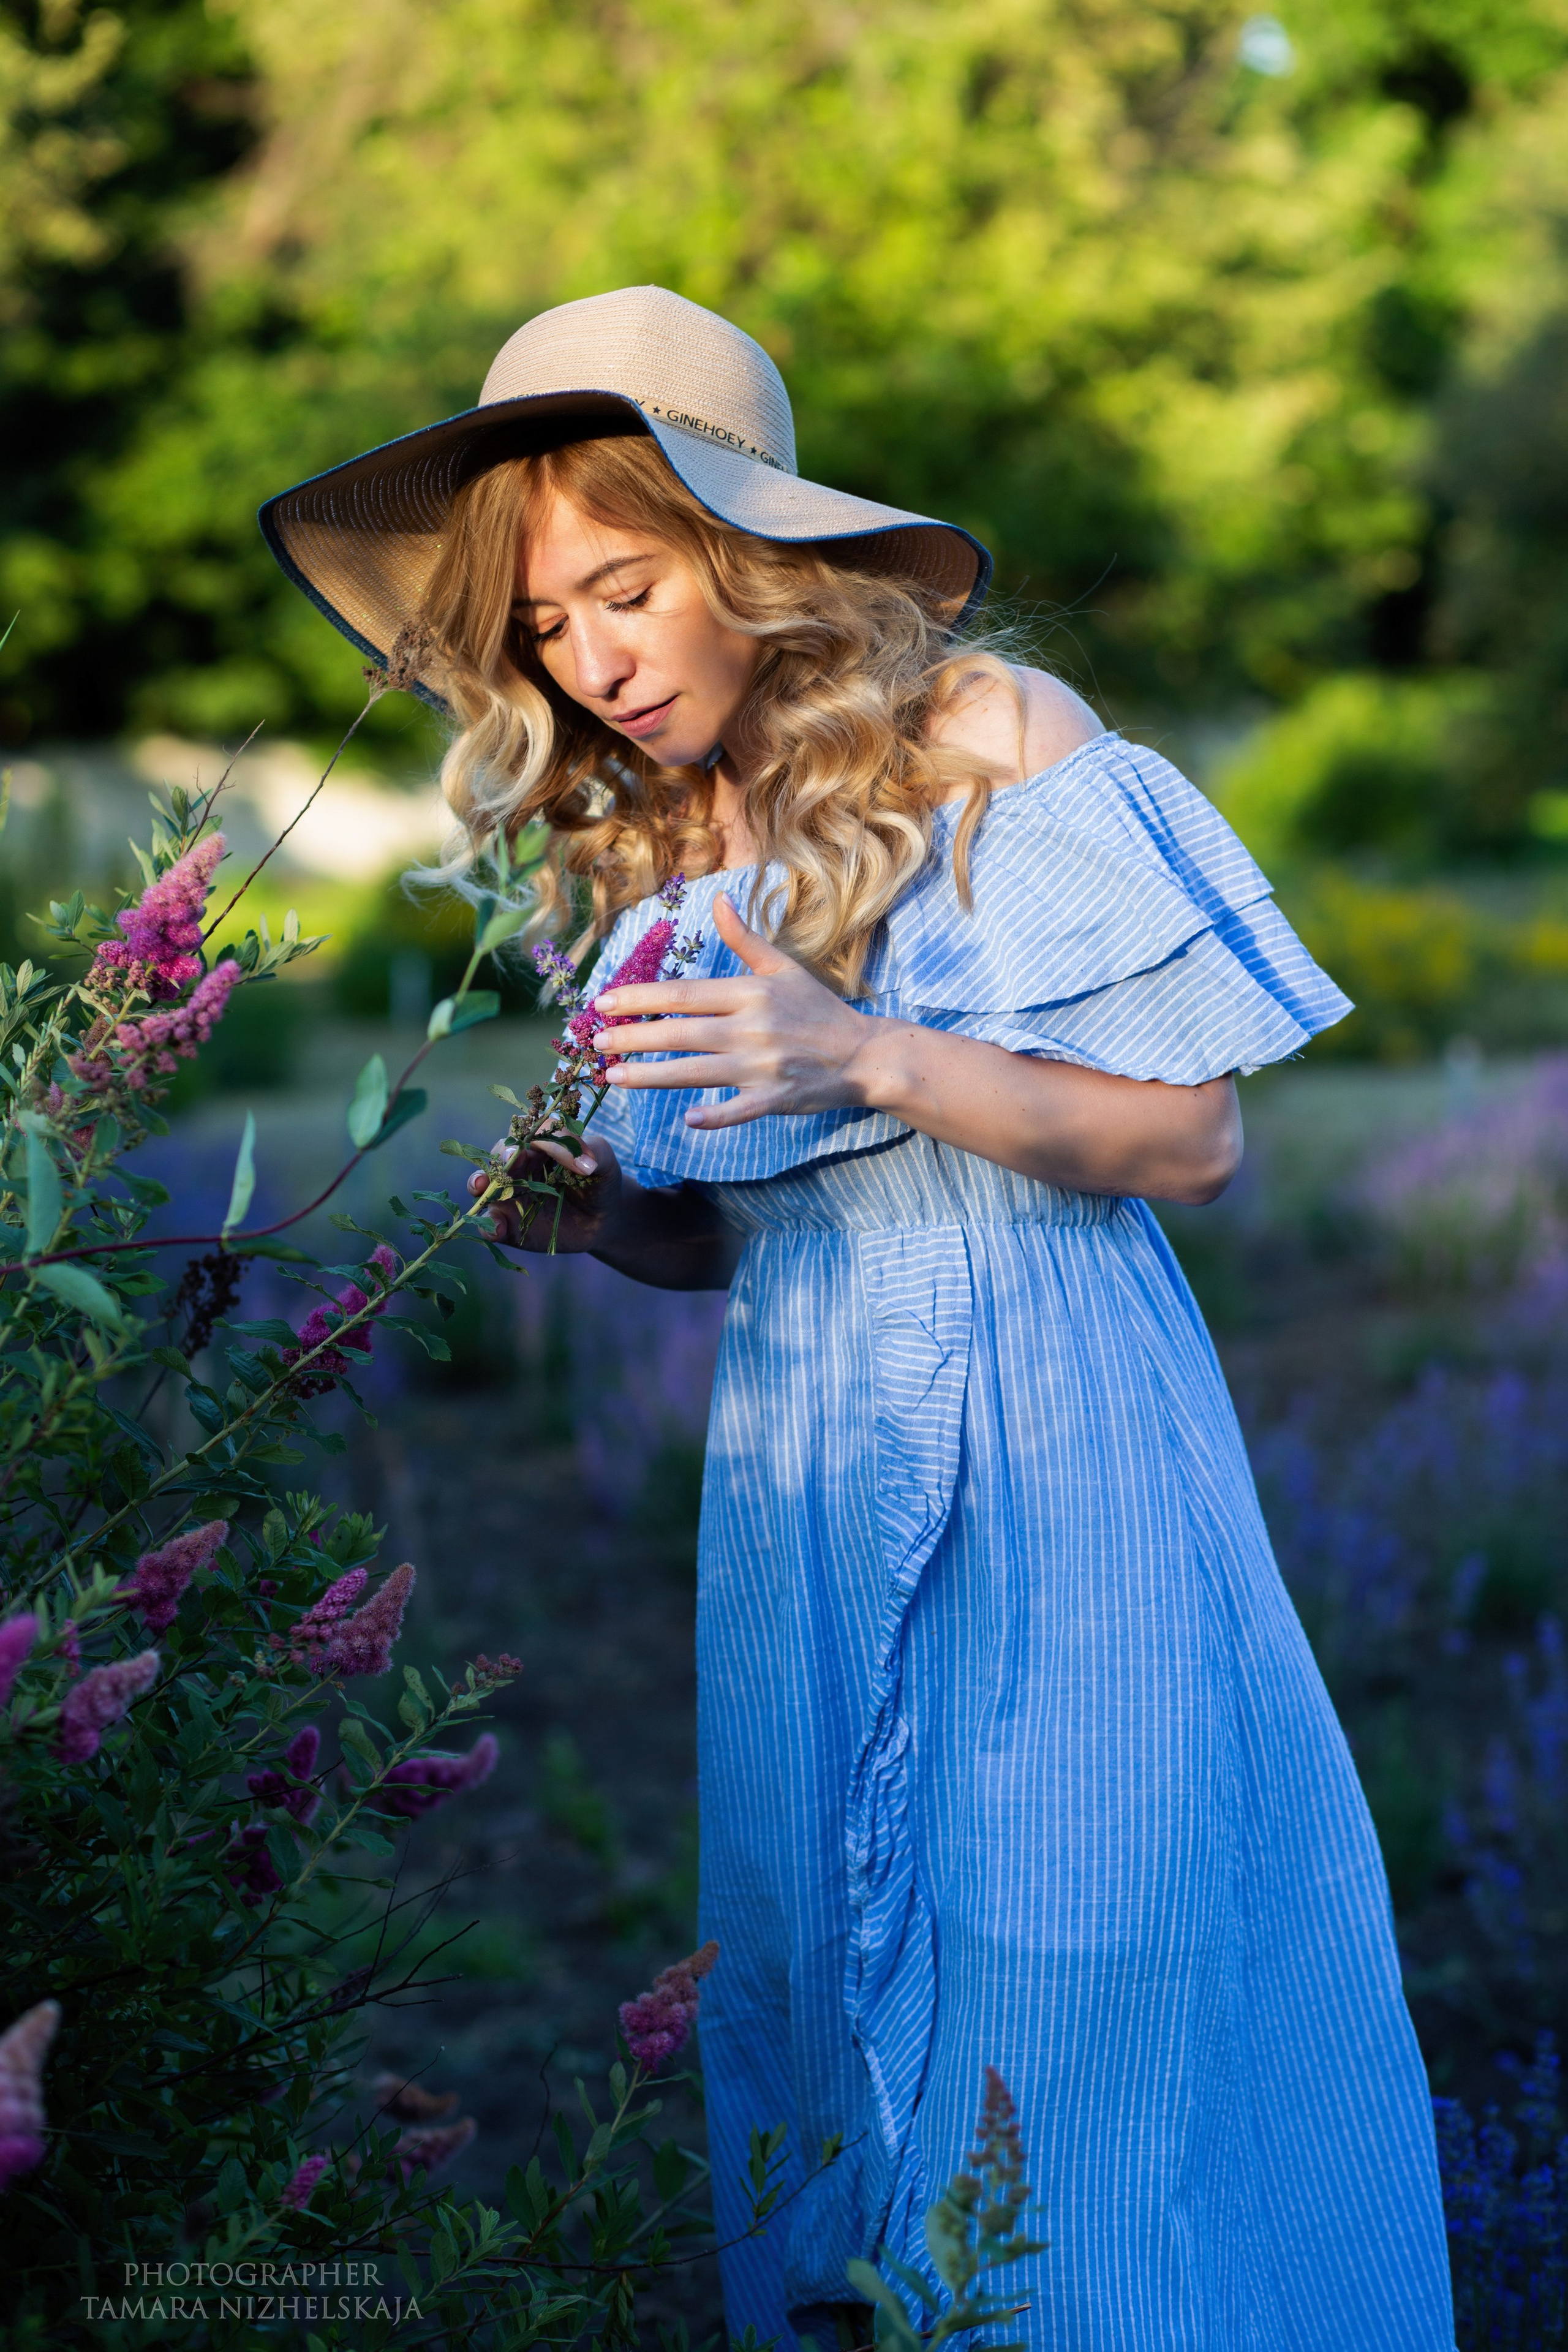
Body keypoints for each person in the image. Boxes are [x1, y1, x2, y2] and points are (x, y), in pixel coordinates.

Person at [260, 286, 1457, 2351]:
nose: (595, 657)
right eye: (548, 626)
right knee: (832, 1965)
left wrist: (861, 1055)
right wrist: (623, 1229)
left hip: (1056, 1445)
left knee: (1074, 1962)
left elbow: (1190, 1140)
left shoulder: (992, 737)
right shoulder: (660, 840)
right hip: (805, 1467)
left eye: (626, 588)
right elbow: (776, 1235)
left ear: (749, 550)